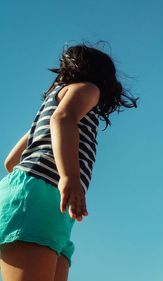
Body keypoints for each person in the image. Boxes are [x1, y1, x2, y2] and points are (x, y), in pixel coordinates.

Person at [0, 43, 137, 281]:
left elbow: (11, 162)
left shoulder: (50, 109)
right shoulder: (87, 88)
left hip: (42, 198)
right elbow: (63, 118)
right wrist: (69, 176)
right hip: (39, 197)